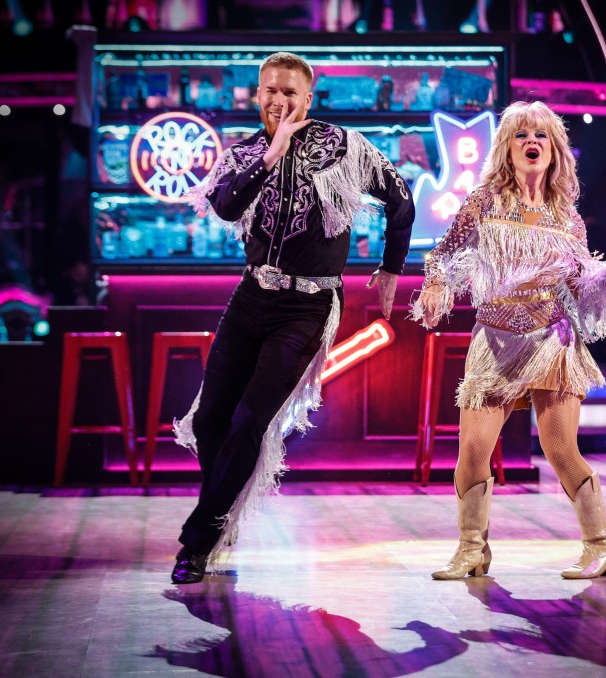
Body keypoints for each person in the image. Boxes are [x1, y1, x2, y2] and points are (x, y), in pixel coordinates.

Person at [171, 52, 414, 584]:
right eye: (269, 92)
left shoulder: (345, 146)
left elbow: (401, 200)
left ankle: (199, 539)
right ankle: (220, 515)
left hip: (308, 305)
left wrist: (391, 271)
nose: (278, 101)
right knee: (211, 419)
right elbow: (226, 208)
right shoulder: (245, 152)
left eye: (289, 93)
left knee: (250, 421)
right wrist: (270, 155)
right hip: (251, 297)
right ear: (257, 96)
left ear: (309, 97)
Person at [410, 100, 606, 580]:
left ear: (554, 150)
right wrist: (437, 283)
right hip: (494, 340)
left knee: (561, 450)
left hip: (551, 339)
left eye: (541, 135)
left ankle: (601, 546)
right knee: (472, 452)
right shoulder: (483, 204)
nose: (531, 142)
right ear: (507, 149)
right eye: (521, 135)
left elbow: (581, 280)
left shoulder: (567, 217)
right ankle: (472, 549)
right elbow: (441, 256)